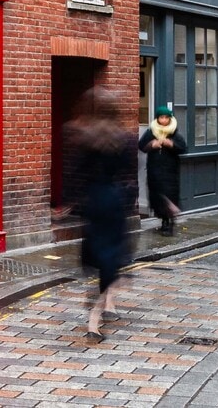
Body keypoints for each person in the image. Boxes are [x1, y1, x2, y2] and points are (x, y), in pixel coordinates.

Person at [65, 87, 138, 338]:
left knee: (97, 255)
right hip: (113, 202)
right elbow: (129, 175)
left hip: (94, 203)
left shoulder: (85, 139)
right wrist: (128, 201)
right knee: (111, 260)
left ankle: (97, 312)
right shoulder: (125, 139)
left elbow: (75, 174)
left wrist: (70, 203)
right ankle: (96, 315)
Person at [139, 106, 185, 236]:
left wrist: (172, 144)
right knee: (158, 196)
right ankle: (164, 220)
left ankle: (170, 222)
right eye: (161, 117)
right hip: (154, 170)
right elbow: (141, 145)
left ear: (170, 119)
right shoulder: (151, 132)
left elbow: (183, 148)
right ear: (157, 118)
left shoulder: (174, 133)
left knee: (169, 195)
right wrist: (151, 145)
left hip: (170, 171)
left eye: (166, 117)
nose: (164, 120)